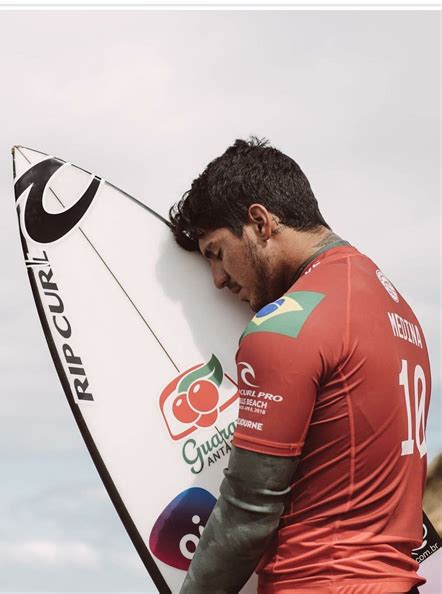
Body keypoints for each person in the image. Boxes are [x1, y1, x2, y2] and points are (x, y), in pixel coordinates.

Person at [168, 137, 431, 594]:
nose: (217, 280)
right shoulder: (397, 309)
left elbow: (247, 513)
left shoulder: (286, 325)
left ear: (260, 222)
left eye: (216, 252)